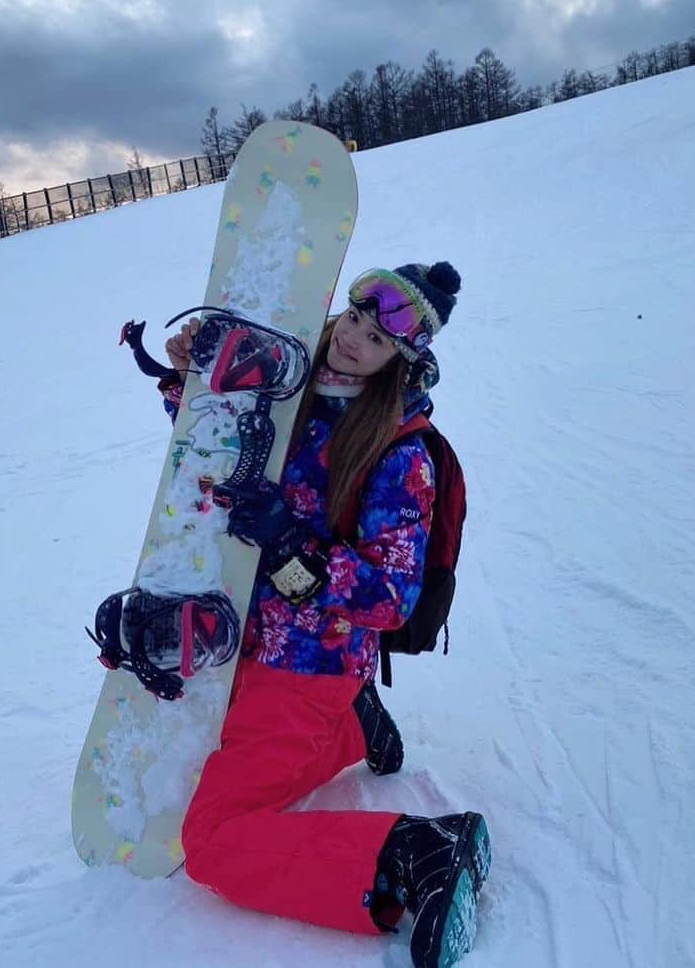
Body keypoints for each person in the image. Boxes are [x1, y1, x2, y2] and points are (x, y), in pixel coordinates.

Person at [158, 261, 490, 968]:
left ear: (399, 359)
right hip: (250, 645)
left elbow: (389, 597)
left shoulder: (400, 453)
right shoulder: (296, 387)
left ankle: (417, 852)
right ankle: (348, 729)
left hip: (307, 667)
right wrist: (187, 381)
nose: (352, 341)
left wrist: (289, 545)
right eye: (353, 321)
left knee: (211, 838)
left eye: (374, 339)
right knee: (221, 764)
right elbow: (220, 453)